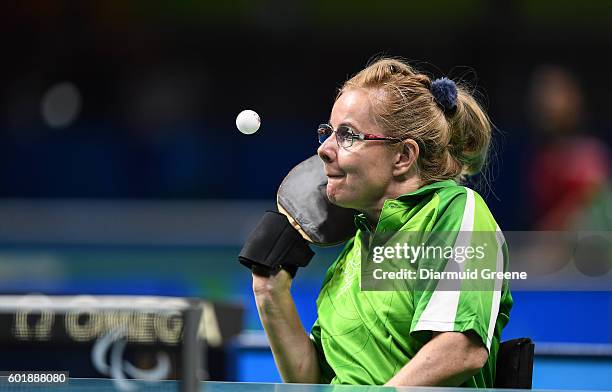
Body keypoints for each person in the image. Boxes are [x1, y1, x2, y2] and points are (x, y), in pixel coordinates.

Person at [251, 58, 512, 387]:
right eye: (326, 133)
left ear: (403, 157)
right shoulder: (360, 243)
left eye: (347, 135)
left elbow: (459, 349)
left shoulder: (455, 212)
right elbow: (312, 378)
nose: (324, 150)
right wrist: (270, 292)